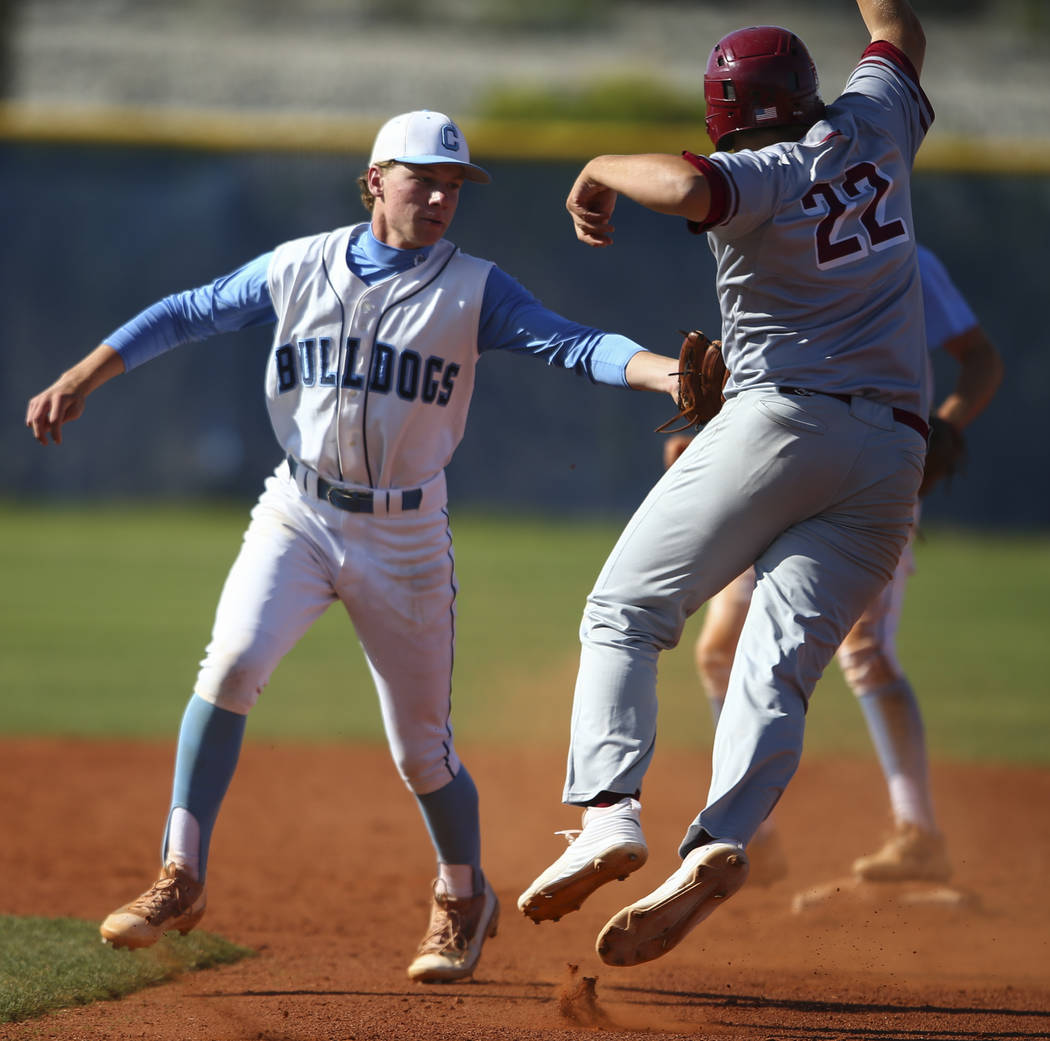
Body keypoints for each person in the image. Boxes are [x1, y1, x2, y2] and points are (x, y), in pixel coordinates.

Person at [25, 110, 679, 983]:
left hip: (405, 535)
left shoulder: (474, 287)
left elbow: (575, 345)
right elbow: (186, 313)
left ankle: (461, 893)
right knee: (228, 669)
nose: (444, 196)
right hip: (297, 510)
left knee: (420, 750)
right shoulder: (298, 265)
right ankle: (178, 875)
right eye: (425, 178)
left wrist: (664, 372)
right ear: (376, 179)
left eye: (455, 184)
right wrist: (82, 374)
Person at [517, 1, 936, 968]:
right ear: (809, 90)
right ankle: (718, 842)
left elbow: (680, 183)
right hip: (892, 462)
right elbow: (898, 26)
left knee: (626, 609)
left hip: (785, 420)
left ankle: (611, 816)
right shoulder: (877, 120)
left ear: (725, 115)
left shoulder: (761, 174)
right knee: (774, 665)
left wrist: (594, 169)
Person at [663, 243, 1002, 888]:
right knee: (719, 650)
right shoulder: (769, 243)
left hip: (868, 476)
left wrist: (948, 427)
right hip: (772, 471)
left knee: (865, 648)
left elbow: (981, 358)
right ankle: (742, 834)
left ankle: (918, 833)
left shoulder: (904, 260)